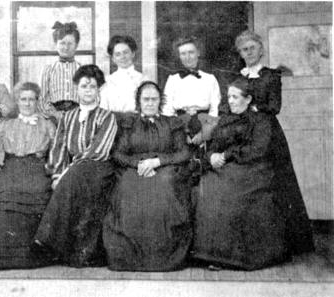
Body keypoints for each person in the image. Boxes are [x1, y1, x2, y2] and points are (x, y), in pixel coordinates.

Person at [192, 78, 290, 270]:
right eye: (229, 97)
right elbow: (214, 146)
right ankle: (210, 254)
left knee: (228, 192)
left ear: (248, 99)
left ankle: (230, 256)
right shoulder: (225, 119)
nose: (231, 101)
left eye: (235, 97)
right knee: (208, 186)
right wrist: (211, 156)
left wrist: (226, 155)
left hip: (254, 168)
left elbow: (257, 149)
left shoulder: (261, 120)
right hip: (226, 167)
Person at [232, 30, 314, 255]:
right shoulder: (238, 76)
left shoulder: (271, 76)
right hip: (242, 132)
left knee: (274, 183)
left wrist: (250, 107)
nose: (248, 53)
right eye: (243, 50)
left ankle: (280, 244)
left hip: (267, 133)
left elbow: (274, 107)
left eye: (251, 48)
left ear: (261, 49)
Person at [33, 65, 118, 268]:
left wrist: (67, 173)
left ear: (99, 90)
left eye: (92, 86)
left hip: (100, 168)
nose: (88, 90)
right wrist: (57, 174)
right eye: (83, 86)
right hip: (73, 173)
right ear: (76, 89)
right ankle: (74, 251)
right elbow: (59, 147)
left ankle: (46, 237)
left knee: (78, 174)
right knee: (75, 180)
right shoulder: (68, 117)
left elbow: (99, 149)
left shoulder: (107, 117)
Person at [102, 81, 192, 271]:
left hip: (165, 168)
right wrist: (138, 164)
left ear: (160, 101)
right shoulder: (128, 123)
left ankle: (161, 257)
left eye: (154, 99)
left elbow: (183, 153)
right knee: (127, 188)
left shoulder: (172, 123)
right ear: (139, 101)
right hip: (134, 169)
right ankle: (130, 258)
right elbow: (118, 153)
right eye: (146, 99)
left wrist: (157, 162)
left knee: (164, 188)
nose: (150, 103)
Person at [0, 82, 56, 269]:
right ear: (17, 101)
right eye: (23, 99)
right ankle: (5, 256)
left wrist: (55, 173)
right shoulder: (6, 125)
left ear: (37, 101)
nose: (27, 103)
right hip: (11, 166)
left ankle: (31, 255)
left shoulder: (47, 125)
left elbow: (55, 153)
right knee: (7, 191)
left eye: (31, 99)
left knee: (36, 191)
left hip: (37, 167)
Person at [162, 36, 220, 145]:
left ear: (198, 53)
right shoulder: (172, 80)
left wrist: (204, 133)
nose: (187, 57)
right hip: (179, 127)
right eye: (183, 54)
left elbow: (215, 108)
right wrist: (181, 133)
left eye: (191, 52)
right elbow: (167, 109)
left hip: (205, 125)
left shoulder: (210, 79)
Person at [39, 21, 81, 120]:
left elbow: (91, 97)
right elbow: (42, 99)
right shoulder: (48, 69)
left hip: (78, 115)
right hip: (54, 116)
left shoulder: (82, 70)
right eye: (62, 43)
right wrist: (54, 114)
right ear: (55, 44)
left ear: (76, 45)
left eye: (70, 43)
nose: (66, 47)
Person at [100, 35, 146, 114]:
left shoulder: (143, 80)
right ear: (113, 59)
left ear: (133, 54)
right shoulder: (107, 81)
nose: (122, 57)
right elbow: (103, 109)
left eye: (125, 52)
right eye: (118, 54)